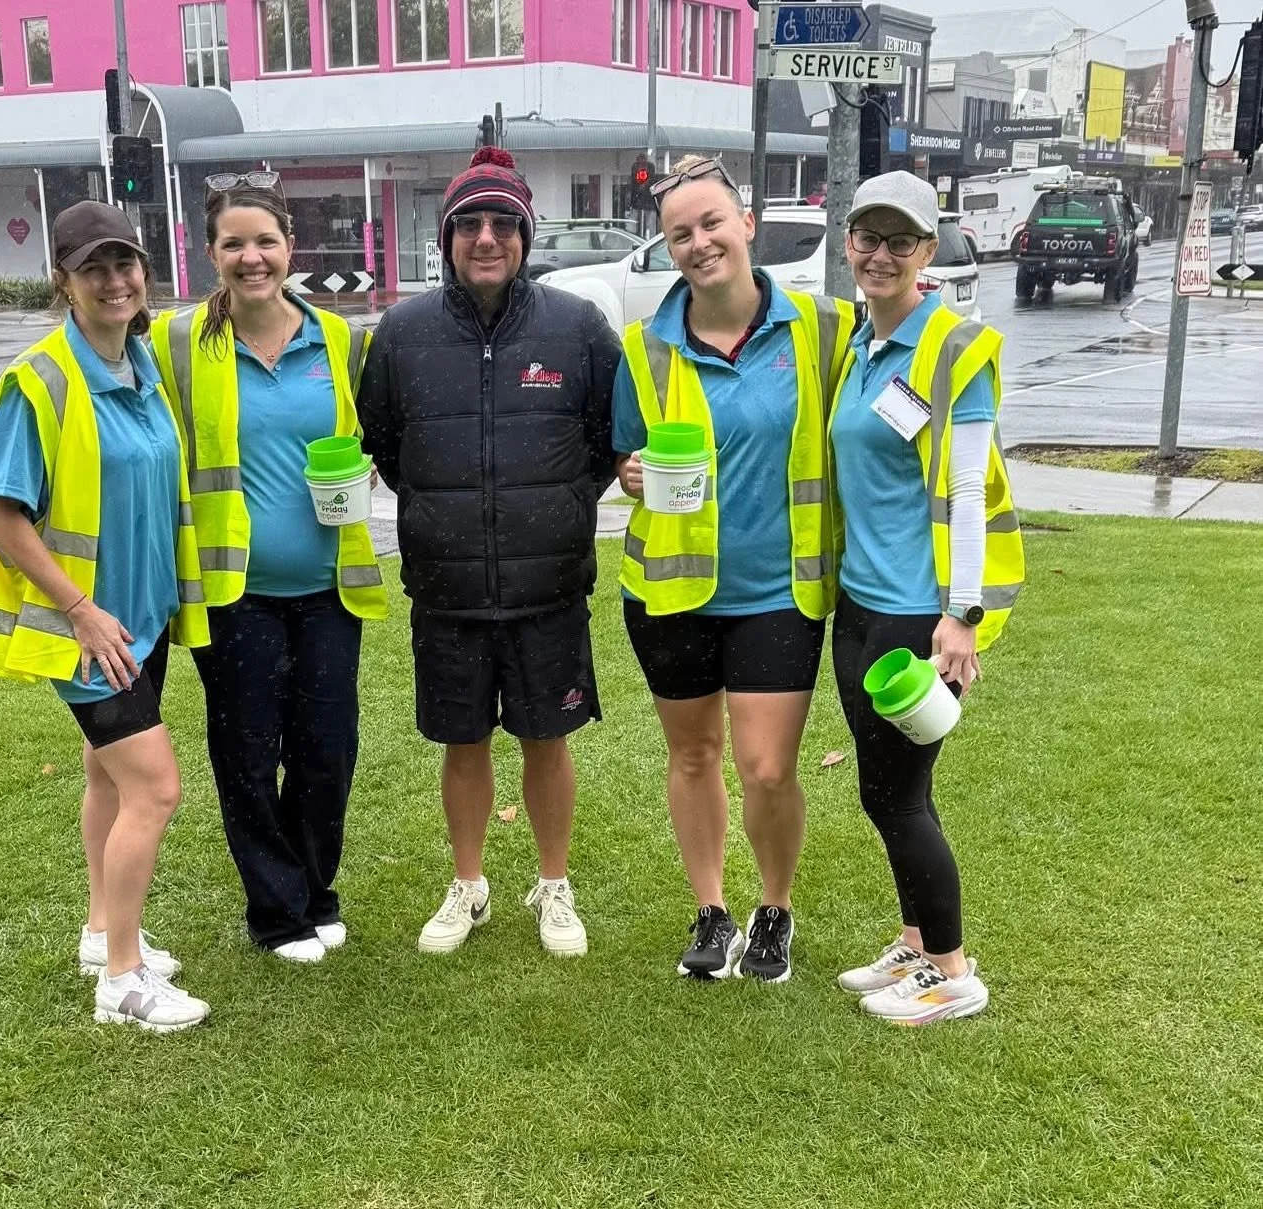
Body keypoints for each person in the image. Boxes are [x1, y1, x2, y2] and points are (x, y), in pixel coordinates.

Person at [359, 146, 622, 957]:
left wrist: (567, 502)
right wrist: (447, 514)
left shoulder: (576, 327)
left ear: (524, 234)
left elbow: (610, 440)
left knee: (548, 738)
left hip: (548, 586)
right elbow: (385, 445)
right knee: (461, 741)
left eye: (501, 222)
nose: (484, 237)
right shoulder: (400, 334)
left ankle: (554, 883)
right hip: (446, 588)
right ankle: (468, 884)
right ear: (445, 238)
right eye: (467, 223)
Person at [611, 155, 854, 982]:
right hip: (671, 588)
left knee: (768, 766)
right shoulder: (644, 348)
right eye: (680, 233)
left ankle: (775, 907)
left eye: (712, 222)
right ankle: (712, 909)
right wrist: (630, 473)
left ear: (747, 224)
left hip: (779, 590)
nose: (699, 242)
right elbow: (625, 450)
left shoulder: (825, 328)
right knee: (692, 756)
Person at [0, 200, 212, 1032]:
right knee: (156, 787)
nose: (115, 281)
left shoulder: (141, 367)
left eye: (126, 264)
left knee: (107, 777)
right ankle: (123, 979)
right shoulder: (39, 380)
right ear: (63, 282)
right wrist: (80, 611)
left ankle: (103, 928)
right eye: (94, 268)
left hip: (144, 624)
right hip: (90, 635)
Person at [150, 174, 386, 965]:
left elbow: (371, 444)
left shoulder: (343, 340)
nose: (252, 258)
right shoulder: (176, 344)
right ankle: (276, 910)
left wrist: (364, 475)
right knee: (248, 751)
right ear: (209, 253)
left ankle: (317, 891)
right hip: (233, 592)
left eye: (265, 241)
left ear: (290, 246)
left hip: (329, 586)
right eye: (233, 244)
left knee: (327, 747)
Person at [827, 170, 1025, 1024]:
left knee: (900, 795)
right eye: (867, 237)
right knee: (885, 789)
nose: (879, 254)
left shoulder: (951, 349)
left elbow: (969, 491)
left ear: (926, 253)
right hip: (860, 605)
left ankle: (951, 970)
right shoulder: (862, 347)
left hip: (919, 613)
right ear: (847, 245)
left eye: (898, 241)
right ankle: (914, 941)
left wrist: (962, 615)